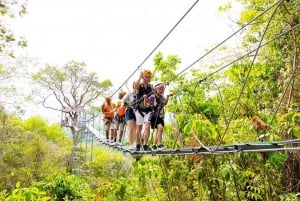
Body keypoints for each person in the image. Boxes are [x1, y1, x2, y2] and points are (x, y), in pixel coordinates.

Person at [147, 82, 172, 150]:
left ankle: (154, 145)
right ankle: (160, 144)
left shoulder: (161, 97)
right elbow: (147, 103)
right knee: (160, 128)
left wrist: (167, 97)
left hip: (160, 116)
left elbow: (164, 103)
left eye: (162, 89)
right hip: (154, 115)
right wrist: (153, 104)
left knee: (158, 130)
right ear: (156, 90)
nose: (161, 90)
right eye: (160, 89)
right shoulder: (153, 96)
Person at [134, 69, 153, 151]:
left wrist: (148, 101)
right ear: (143, 77)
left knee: (147, 127)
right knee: (139, 128)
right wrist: (140, 76)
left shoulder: (150, 87)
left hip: (148, 109)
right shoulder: (140, 85)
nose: (147, 78)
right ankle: (138, 144)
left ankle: (145, 145)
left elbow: (152, 99)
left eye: (148, 77)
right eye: (145, 77)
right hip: (139, 110)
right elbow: (136, 86)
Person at [123, 82, 137, 149]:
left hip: (137, 112)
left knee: (136, 129)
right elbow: (124, 100)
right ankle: (131, 144)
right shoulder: (130, 94)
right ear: (133, 86)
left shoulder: (140, 94)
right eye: (135, 85)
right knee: (131, 128)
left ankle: (135, 143)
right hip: (129, 111)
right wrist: (126, 104)